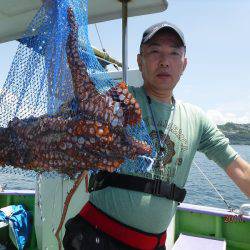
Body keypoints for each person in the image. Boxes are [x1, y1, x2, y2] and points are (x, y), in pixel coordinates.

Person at [63, 21, 250, 250]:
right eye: (154, 51)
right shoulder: (118, 100)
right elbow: (75, 116)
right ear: (140, 61)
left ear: (184, 64)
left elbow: (239, 169)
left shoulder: (197, 119)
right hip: (96, 237)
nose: (164, 61)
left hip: (152, 245)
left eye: (174, 53)